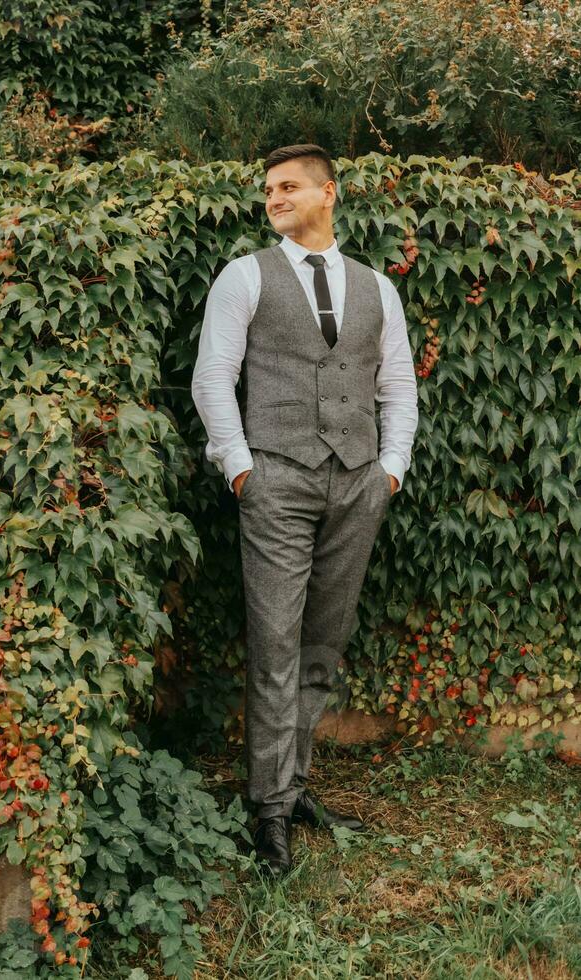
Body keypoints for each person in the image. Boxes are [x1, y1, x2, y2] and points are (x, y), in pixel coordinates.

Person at [191, 144, 419, 875]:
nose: (274, 198)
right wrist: (241, 470)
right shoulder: (245, 277)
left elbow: (399, 388)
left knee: (324, 636)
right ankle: (268, 810)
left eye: (288, 187)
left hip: (357, 484)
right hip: (276, 482)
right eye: (267, 190)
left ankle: (293, 787)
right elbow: (212, 379)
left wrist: (390, 469)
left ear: (329, 194)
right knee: (275, 640)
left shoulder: (377, 288)